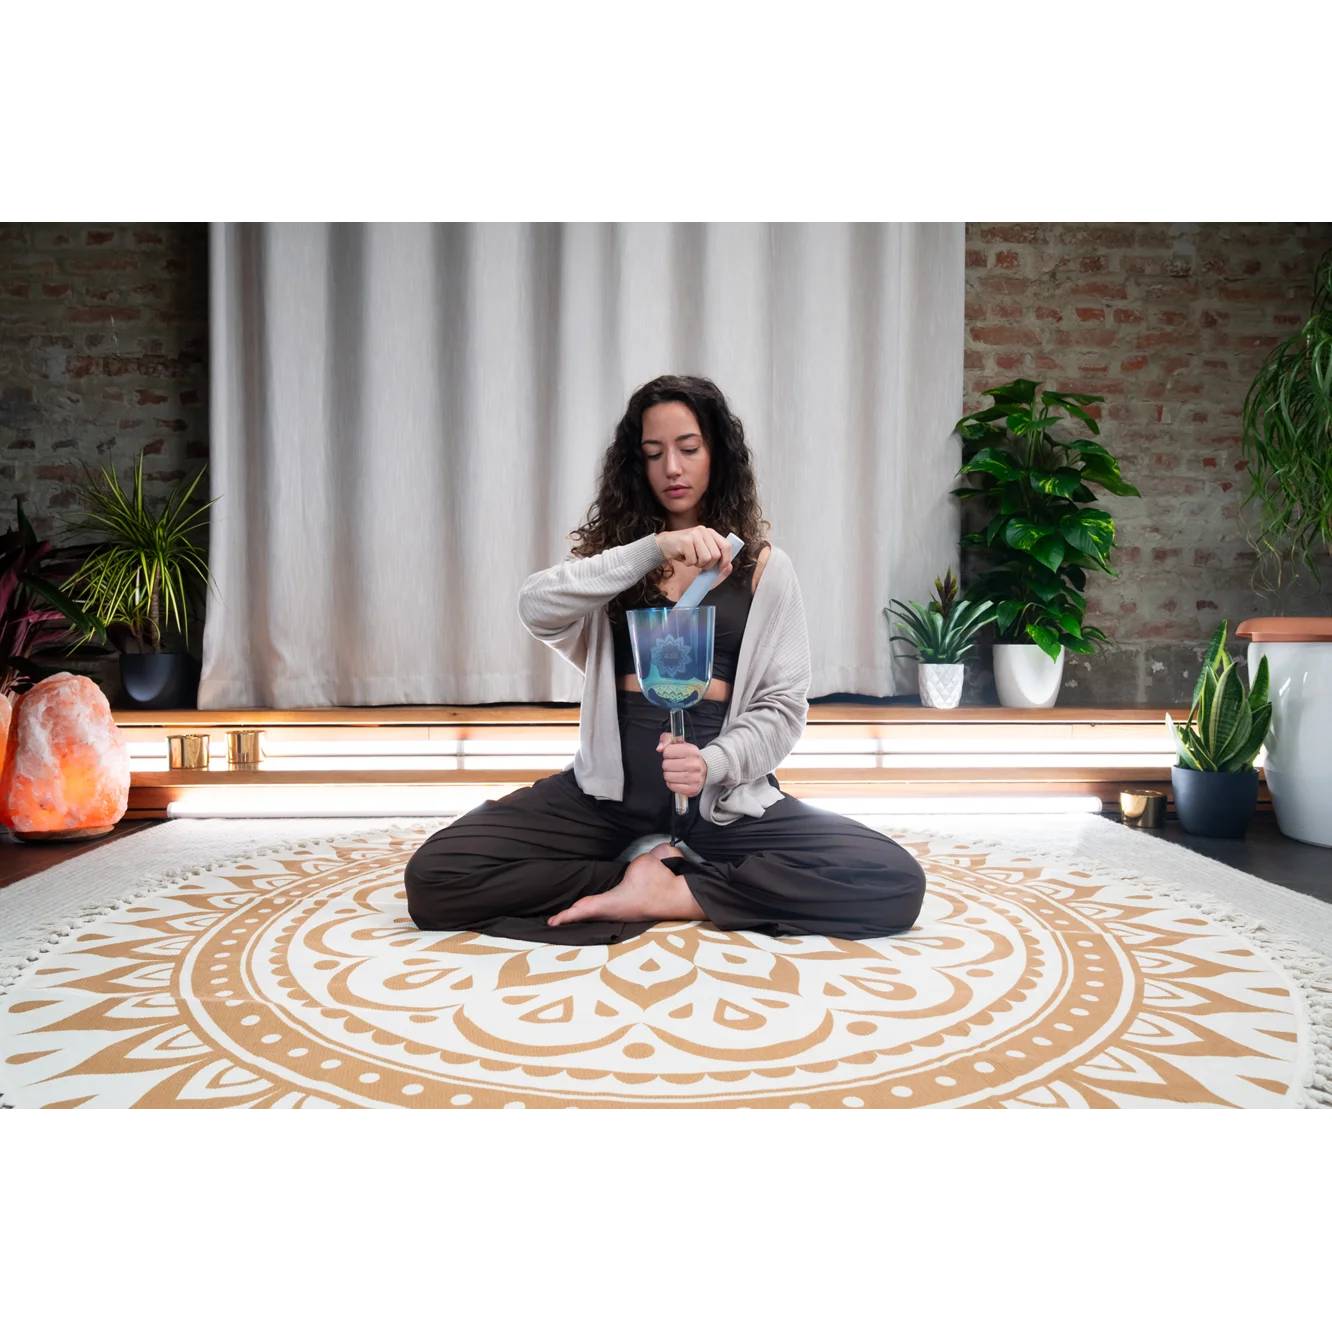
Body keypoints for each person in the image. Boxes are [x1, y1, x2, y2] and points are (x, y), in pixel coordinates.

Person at [404, 374, 927, 945]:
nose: (672, 468)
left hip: (721, 801)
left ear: (717, 455)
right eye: (653, 454)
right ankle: (634, 875)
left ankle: (675, 892)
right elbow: (536, 605)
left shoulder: (766, 571)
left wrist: (714, 763)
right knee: (435, 877)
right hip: (607, 801)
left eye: (688, 448)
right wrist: (653, 549)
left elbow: (782, 709)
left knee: (894, 880)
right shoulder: (619, 564)